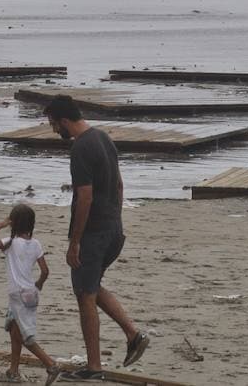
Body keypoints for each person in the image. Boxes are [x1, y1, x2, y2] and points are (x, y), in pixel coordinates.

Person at [45, 96, 149, 381]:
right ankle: (132, 334)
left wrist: (75, 241)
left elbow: (85, 196)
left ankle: (94, 366)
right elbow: (119, 183)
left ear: (64, 120)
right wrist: (115, 218)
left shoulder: (80, 147)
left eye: (54, 124)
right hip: (113, 228)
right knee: (91, 287)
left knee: (84, 296)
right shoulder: (103, 137)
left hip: (94, 234)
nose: (54, 130)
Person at [0, 204, 60, 386]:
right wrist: (38, 285)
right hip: (30, 293)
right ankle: (13, 371)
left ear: (13, 223)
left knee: (26, 336)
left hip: (17, 295)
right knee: (14, 331)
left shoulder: (10, 242)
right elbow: (45, 271)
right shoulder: (36, 244)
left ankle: (51, 364)